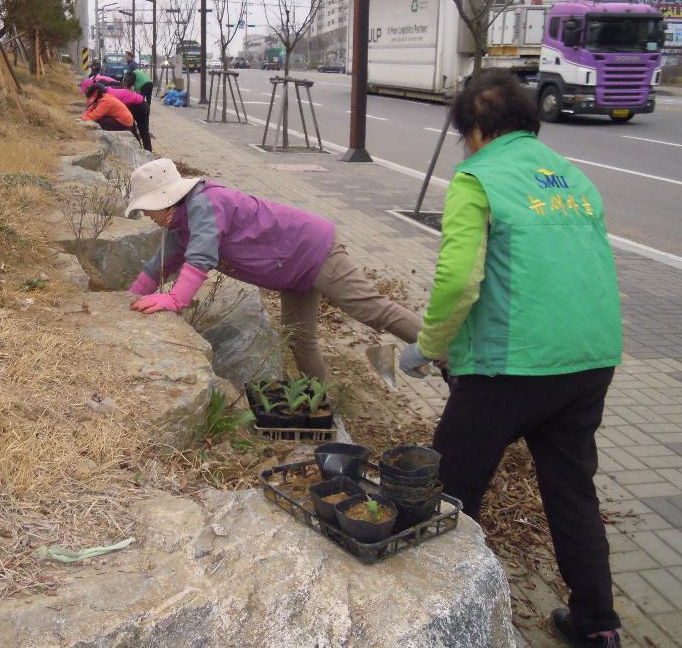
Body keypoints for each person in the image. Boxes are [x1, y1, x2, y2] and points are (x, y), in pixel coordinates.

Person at [398, 70, 623, 648]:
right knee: (572, 492)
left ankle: (444, 617)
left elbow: (459, 279)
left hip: (510, 367)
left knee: (451, 490)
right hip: (590, 359)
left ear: (474, 130)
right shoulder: (572, 176)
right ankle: (597, 624)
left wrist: (429, 346)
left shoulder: (477, 177)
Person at [123, 158, 420, 381]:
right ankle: (320, 400)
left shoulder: (205, 203)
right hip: (291, 272)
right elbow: (160, 265)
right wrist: (128, 301)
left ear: (164, 200)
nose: (146, 215)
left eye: (146, 208)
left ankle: (441, 348)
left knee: (372, 310)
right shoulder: (180, 225)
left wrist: (175, 299)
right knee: (299, 338)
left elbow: (200, 256)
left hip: (313, 251)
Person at [79, 79, 151, 151]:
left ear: (89, 88)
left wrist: (83, 118)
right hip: (134, 105)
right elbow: (93, 107)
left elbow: (96, 114)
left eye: (85, 91)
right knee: (134, 128)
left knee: (142, 131)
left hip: (138, 106)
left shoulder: (105, 97)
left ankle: (143, 151)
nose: (85, 94)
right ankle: (139, 149)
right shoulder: (102, 92)